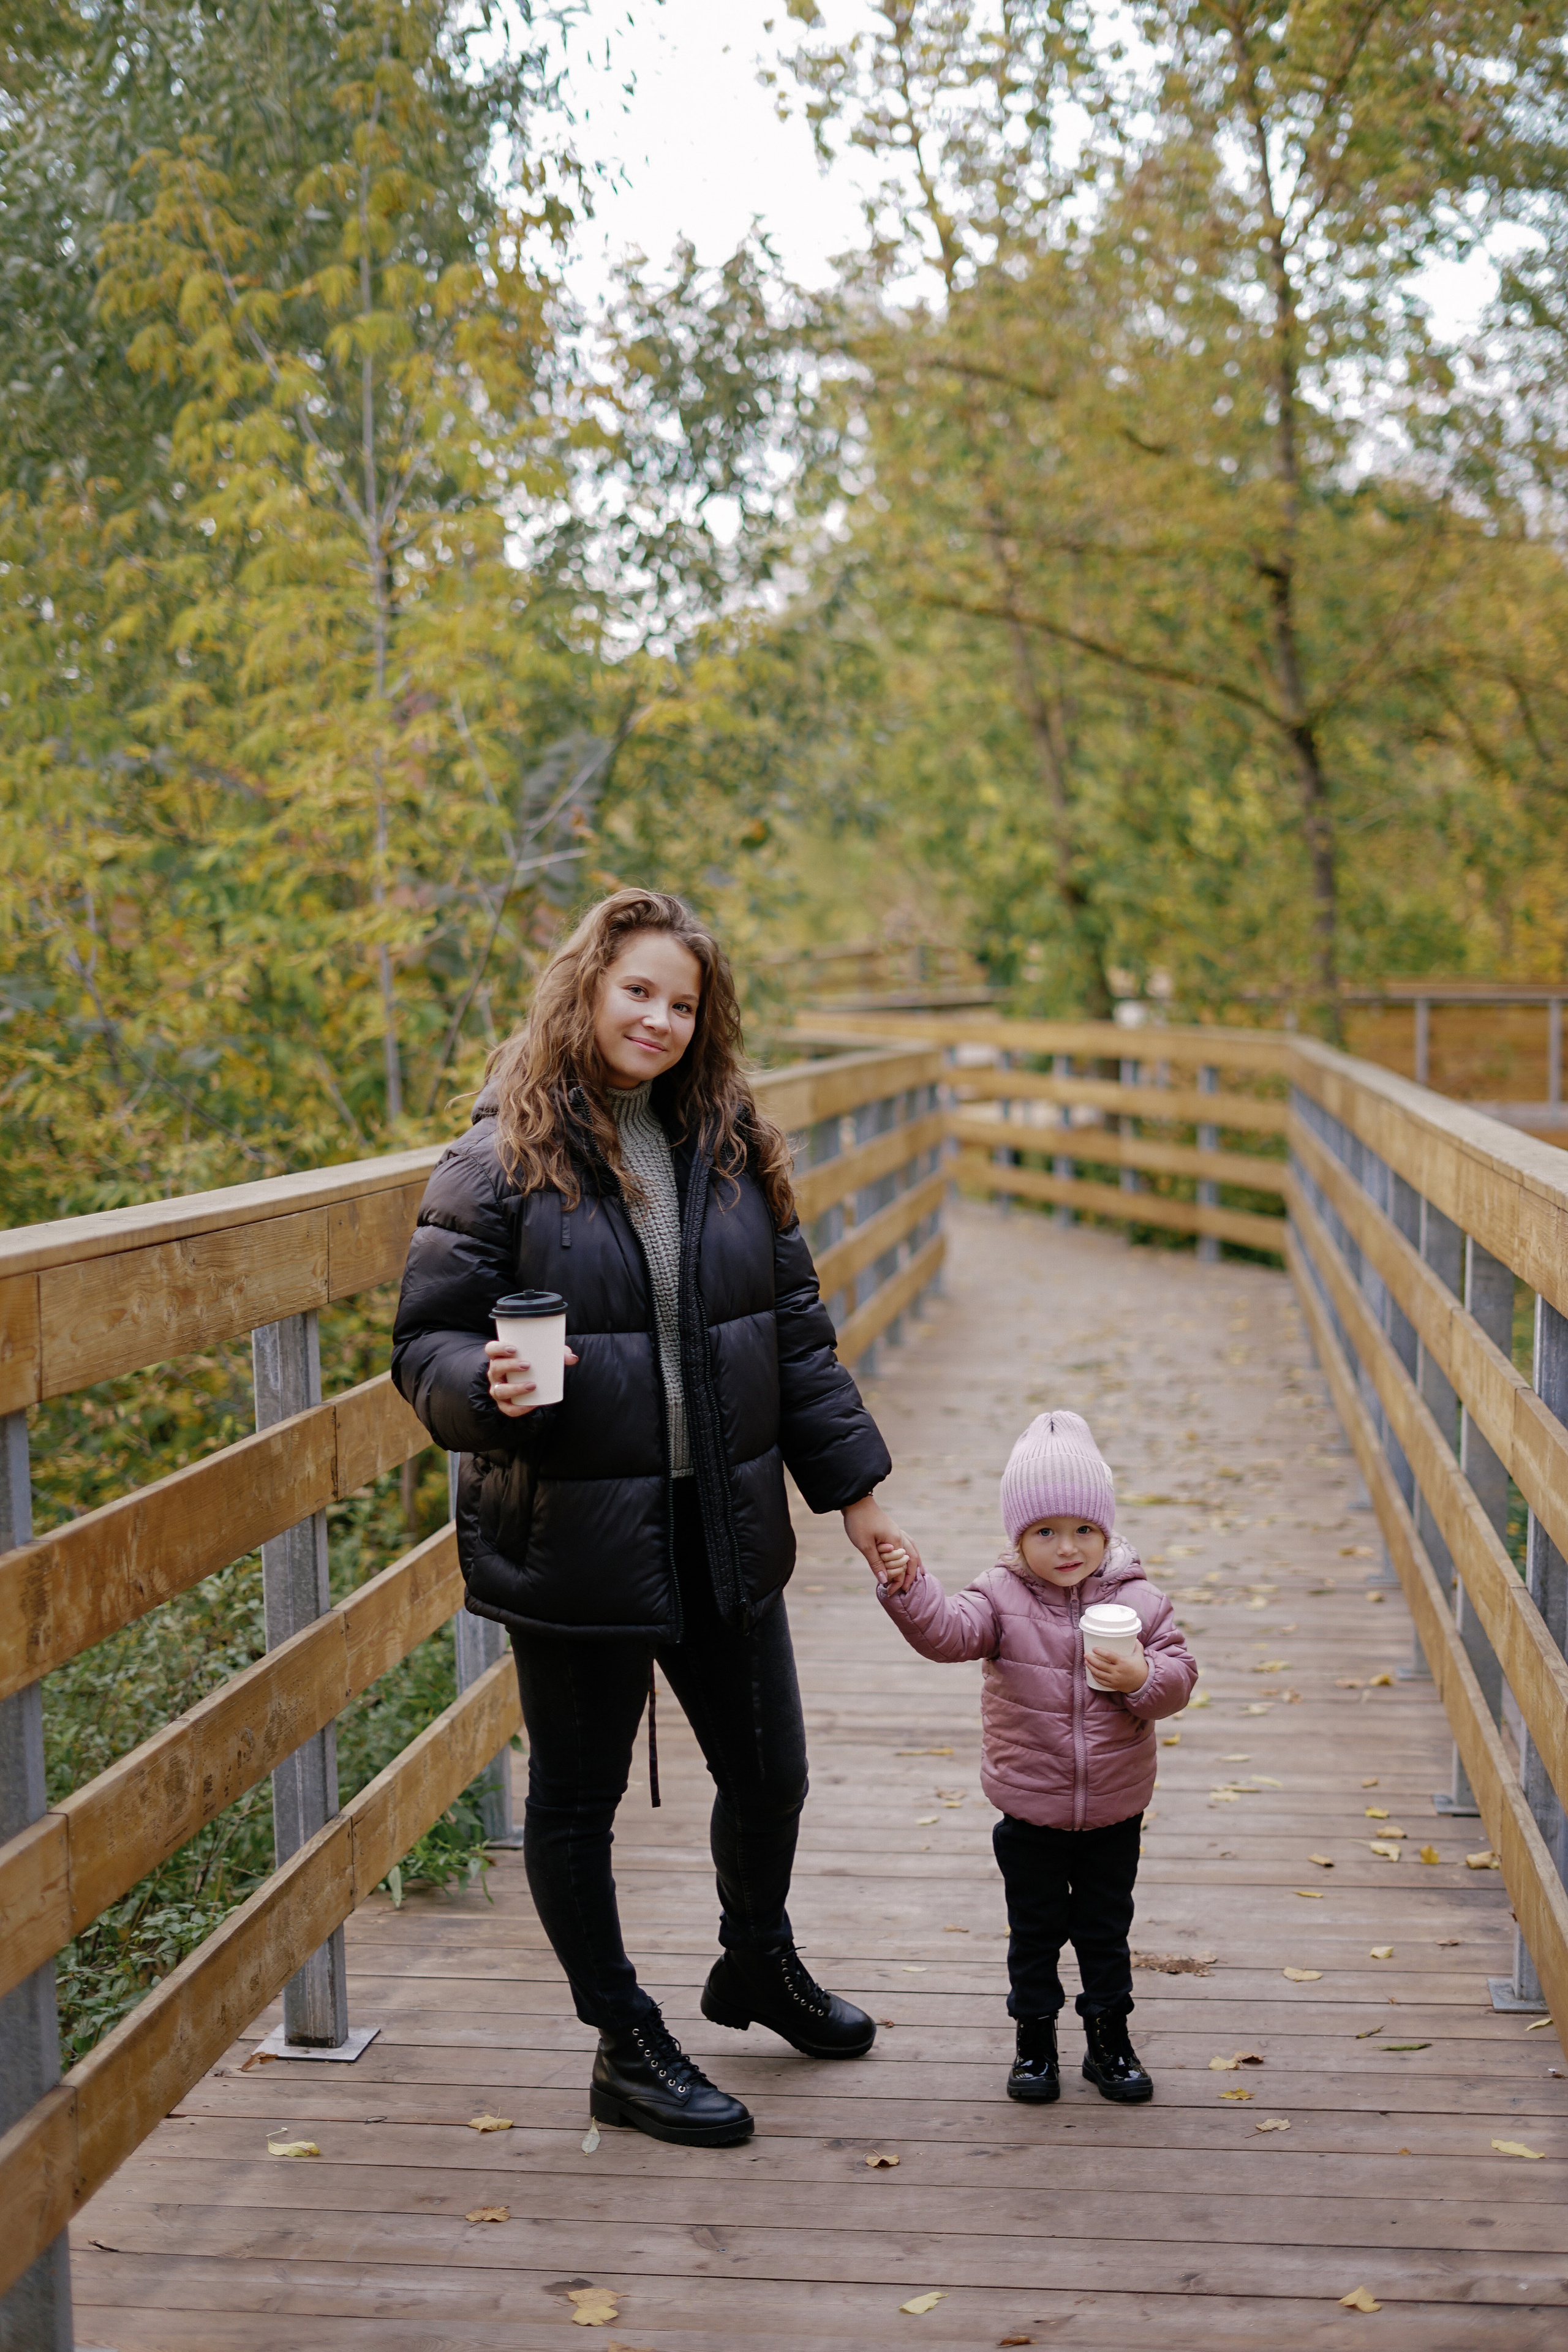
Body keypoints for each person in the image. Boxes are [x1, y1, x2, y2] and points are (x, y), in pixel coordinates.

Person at [391, 888, 918, 2149]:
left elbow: (790, 1332)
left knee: (770, 1775)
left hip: (721, 1517)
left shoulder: (727, 1145)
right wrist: (485, 1386)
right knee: (575, 1800)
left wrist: (856, 1497)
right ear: (586, 987)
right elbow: (425, 1347)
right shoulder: (495, 1159)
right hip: (569, 1528)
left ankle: (754, 1964)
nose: (659, 1019)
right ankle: (622, 2043)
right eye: (637, 991)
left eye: (682, 1003)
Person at [869, 1409, 1196, 2105]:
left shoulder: (1138, 1600)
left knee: (1106, 1931)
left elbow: (1178, 1680)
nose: (1066, 1546)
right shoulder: (999, 1597)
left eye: (1082, 1529)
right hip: (1029, 1805)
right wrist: (909, 1585)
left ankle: (1109, 2039)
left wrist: (1140, 1679)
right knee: (1035, 1932)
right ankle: (1034, 2043)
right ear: (1018, 1537)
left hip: (1113, 1808)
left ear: (1105, 1530)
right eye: (1044, 1531)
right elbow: (946, 1635)